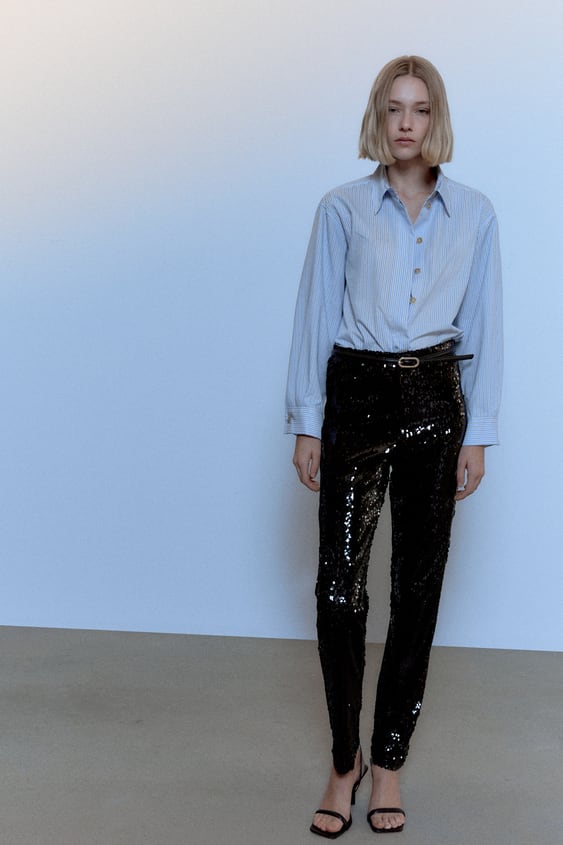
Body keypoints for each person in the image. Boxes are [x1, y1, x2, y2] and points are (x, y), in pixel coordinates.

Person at [285, 56, 502, 837]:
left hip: (434, 402)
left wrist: (478, 432)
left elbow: (483, 325)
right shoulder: (341, 207)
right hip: (356, 395)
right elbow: (315, 313)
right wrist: (307, 420)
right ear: (377, 117)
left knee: (417, 590)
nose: (405, 123)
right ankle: (342, 760)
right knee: (338, 590)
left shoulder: (473, 212)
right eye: (392, 108)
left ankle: (388, 764)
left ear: (434, 118)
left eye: (419, 109)